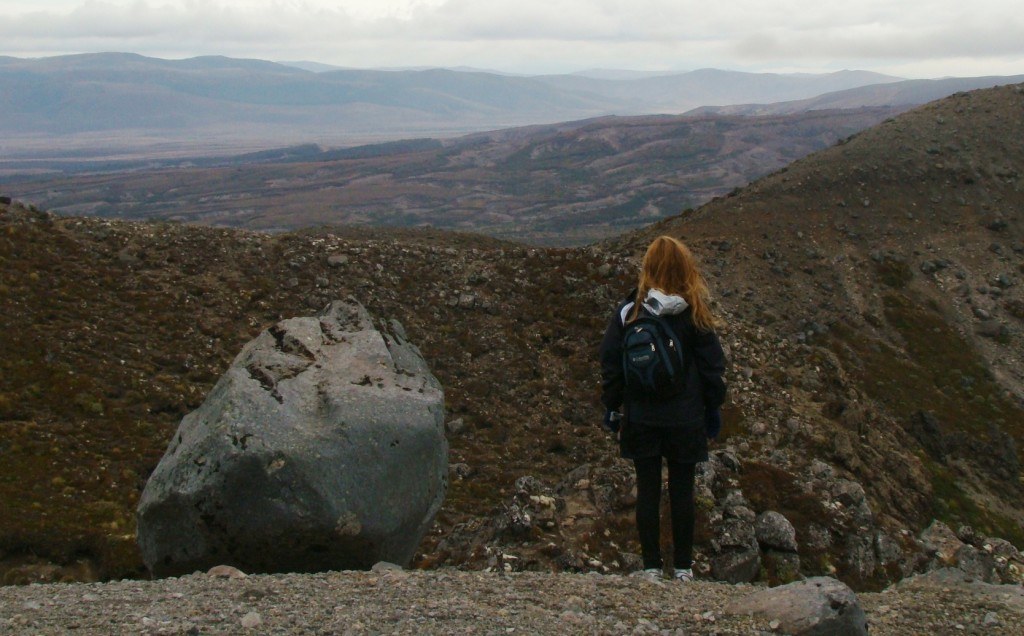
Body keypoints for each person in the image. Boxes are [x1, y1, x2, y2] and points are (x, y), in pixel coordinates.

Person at [599, 235, 727, 583]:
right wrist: (713, 409)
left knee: (648, 489)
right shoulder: (695, 311)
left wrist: (613, 409)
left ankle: (651, 567)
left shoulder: (630, 311)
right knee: (683, 490)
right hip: (686, 419)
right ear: (686, 267)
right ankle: (684, 568)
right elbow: (713, 368)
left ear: (648, 268)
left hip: (641, 417)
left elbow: (611, 365)